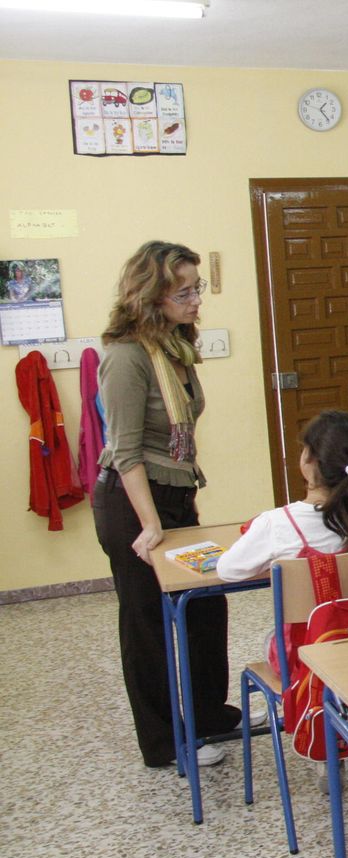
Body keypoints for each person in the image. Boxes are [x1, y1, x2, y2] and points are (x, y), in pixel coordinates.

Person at [93, 241, 237, 768]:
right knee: (147, 622)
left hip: (174, 493)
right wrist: (151, 524)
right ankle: (163, 744)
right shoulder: (127, 356)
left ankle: (207, 716)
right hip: (134, 503)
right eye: (185, 291)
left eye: (197, 288)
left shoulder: (175, 348)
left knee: (204, 603)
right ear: (151, 296)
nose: (197, 299)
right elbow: (126, 449)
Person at [217, 410, 348, 678]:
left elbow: (227, 570)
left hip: (306, 662)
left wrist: (278, 566)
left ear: (308, 460)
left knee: (271, 639)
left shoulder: (277, 523)